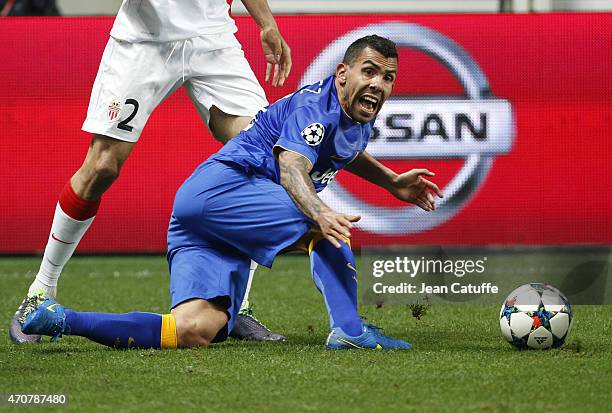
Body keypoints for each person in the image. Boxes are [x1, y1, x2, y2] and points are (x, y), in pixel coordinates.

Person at [20, 35, 443, 350]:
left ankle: (57, 319)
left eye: (388, 77)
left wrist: (390, 181)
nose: (378, 84)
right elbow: (292, 166)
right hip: (226, 190)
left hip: (207, 221)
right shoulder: (316, 107)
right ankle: (350, 332)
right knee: (327, 229)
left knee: (194, 329)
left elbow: (339, 150)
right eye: (369, 71)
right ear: (342, 73)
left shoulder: (356, 112)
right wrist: (318, 212)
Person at [9, 0, 291, 345]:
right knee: (101, 166)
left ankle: (238, 306)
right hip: (144, 41)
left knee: (261, 155)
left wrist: (266, 24)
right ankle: (40, 291)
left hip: (211, 38)